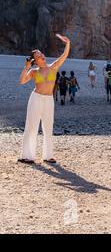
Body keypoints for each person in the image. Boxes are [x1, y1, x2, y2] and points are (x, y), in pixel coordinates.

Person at [18, 34, 71, 164]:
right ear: (35, 61)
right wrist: (27, 67)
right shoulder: (34, 72)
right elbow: (22, 81)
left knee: (48, 127)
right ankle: (27, 156)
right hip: (36, 99)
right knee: (31, 126)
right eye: (38, 56)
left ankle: (48, 156)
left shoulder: (53, 67)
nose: (42, 56)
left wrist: (68, 43)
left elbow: (63, 56)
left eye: (41, 53)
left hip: (49, 100)